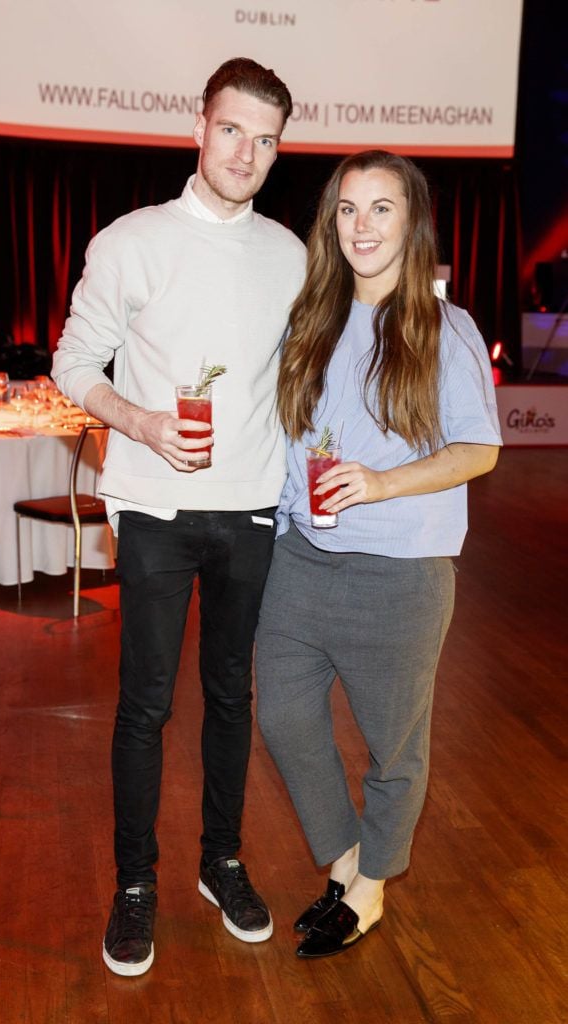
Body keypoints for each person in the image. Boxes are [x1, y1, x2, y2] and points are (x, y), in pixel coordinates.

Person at [52, 57, 306, 976]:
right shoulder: (130, 241)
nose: (246, 151)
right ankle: (133, 884)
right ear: (198, 126)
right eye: (232, 129)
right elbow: (72, 363)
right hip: (156, 506)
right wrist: (143, 422)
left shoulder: (290, 255)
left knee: (233, 696)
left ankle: (222, 863)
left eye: (266, 138)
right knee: (146, 705)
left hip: (250, 510)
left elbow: (302, 377)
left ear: (279, 150)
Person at [254, 150, 502, 959]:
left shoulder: (443, 326)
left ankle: (368, 891)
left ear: (411, 221)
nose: (361, 225)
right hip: (300, 557)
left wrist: (383, 483)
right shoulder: (309, 320)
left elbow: (478, 450)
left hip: (400, 571)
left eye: (380, 208)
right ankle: (348, 858)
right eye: (347, 209)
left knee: (393, 743)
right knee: (283, 715)